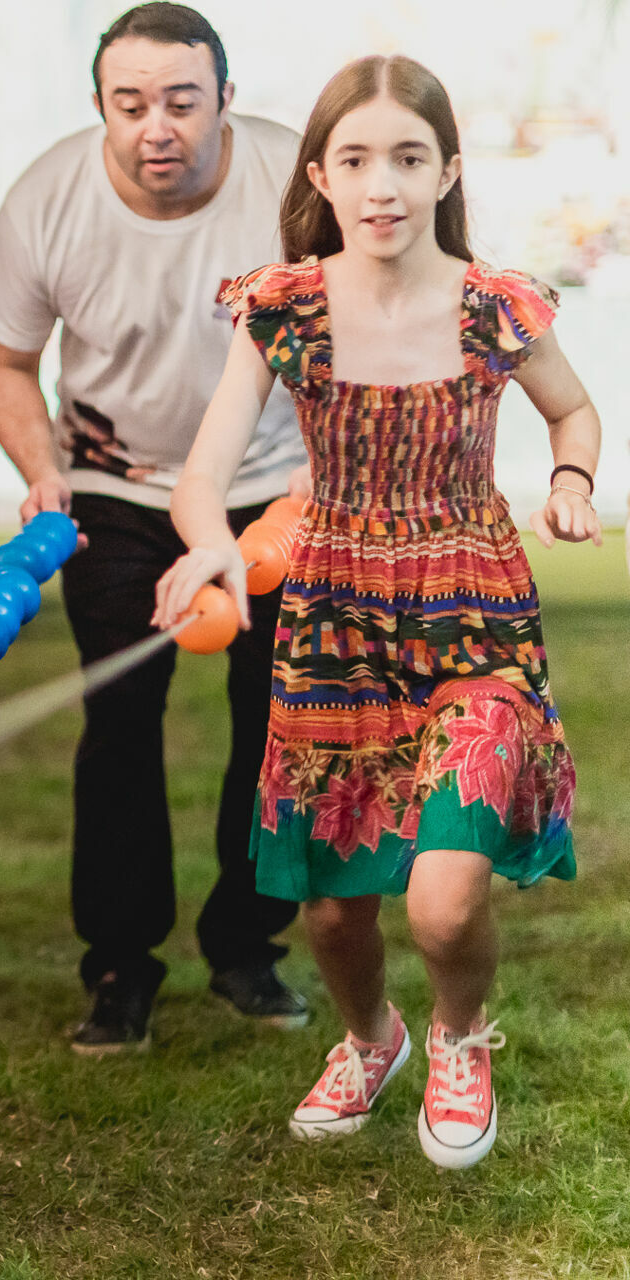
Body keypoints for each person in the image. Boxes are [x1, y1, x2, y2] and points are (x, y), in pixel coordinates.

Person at [153, 55, 599, 1170]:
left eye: (408, 157)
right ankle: (371, 1035)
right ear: (322, 173)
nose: (383, 183)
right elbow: (202, 473)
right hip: (336, 618)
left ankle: (457, 1033)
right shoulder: (286, 310)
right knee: (335, 907)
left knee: (446, 900)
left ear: (447, 169)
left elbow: (574, 408)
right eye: (356, 159)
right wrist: (209, 541)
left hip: (476, 613)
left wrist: (571, 479)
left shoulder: (498, 306)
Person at [0, 2, 309, 1052]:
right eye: (131, 104)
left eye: (180, 101)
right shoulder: (48, 197)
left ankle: (247, 945)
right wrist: (44, 474)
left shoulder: (294, 187)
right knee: (118, 717)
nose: (156, 125)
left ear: (225, 102)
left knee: (277, 712)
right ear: (101, 108)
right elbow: (9, 363)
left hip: (272, 481)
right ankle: (121, 964)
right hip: (114, 483)